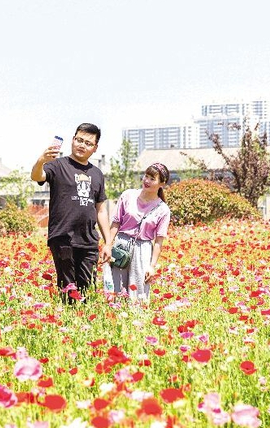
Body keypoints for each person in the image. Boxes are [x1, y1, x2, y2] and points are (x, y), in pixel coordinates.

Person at [31, 123, 112, 303]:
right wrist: (40, 161)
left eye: (88, 143)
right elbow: (37, 177)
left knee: (87, 289)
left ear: (95, 148)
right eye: (79, 140)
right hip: (63, 237)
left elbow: (101, 210)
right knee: (69, 291)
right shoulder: (57, 165)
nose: (82, 145)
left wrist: (108, 242)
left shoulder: (97, 174)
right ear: (73, 140)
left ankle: (86, 326)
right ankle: (69, 325)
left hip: (89, 240)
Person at [104, 163, 171, 304]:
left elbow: (158, 241)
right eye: (146, 176)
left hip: (143, 250)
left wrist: (152, 266)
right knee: (115, 288)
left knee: (139, 292)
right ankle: (114, 318)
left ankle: (136, 322)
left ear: (162, 184)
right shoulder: (128, 195)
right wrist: (108, 245)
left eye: (152, 178)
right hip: (121, 246)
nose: (146, 180)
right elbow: (115, 222)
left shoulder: (163, 209)